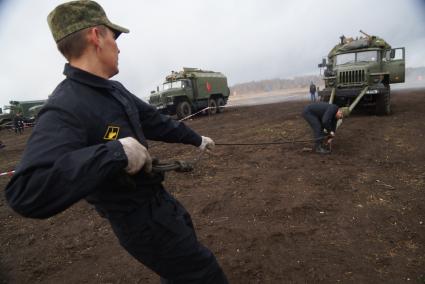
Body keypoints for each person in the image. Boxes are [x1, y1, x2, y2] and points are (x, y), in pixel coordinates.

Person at [5, 1, 228, 283]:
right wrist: (115, 152)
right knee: (204, 274)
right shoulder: (66, 106)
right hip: (140, 223)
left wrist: (197, 139)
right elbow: (25, 191)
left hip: (162, 206)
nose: (119, 47)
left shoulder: (114, 90)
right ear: (96, 36)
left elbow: (155, 121)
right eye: (114, 37)